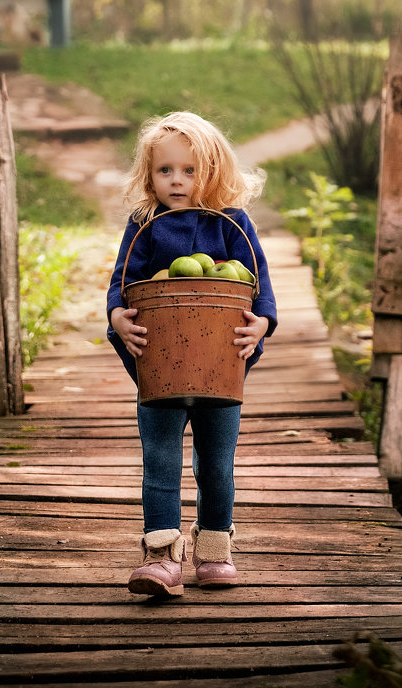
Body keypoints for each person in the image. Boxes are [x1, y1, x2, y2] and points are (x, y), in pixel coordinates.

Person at [106, 111, 277, 597]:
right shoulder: (145, 225)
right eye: (166, 171)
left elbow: (259, 288)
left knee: (216, 463)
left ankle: (214, 550)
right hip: (159, 366)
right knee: (159, 459)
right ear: (149, 175)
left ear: (214, 173)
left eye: (190, 170)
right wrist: (118, 316)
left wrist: (260, 325)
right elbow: (122, 282)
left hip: (221, 365)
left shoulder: (233, 225)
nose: (177, 181)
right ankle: (161, 557)